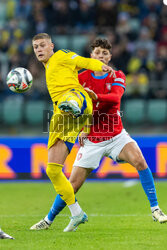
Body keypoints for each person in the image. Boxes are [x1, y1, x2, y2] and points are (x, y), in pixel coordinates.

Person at [30, 38, 167, 231]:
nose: (101, 56)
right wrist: (83, 129)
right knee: (72, 184)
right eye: (97, 53)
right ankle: (49, 219)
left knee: (140, 161)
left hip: (116, 135)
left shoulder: (117, 75)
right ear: (91, 55)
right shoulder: (81, 77)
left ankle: (155, 209)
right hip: (92, 140)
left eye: (104, 53)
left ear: (110, 57)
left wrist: (96, 96)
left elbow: (116, 97)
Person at [31, 33, 114, 232]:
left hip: (77, 98)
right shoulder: (49, 66)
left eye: (43, 45)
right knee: (52, 170)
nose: (39, 50)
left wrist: (99, 66)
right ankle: (77, 213)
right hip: (61, 114)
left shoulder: (61, 56)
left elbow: (83, 61)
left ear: (52, 46)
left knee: (71, 96)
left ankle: (73, 106)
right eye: (36, 47)